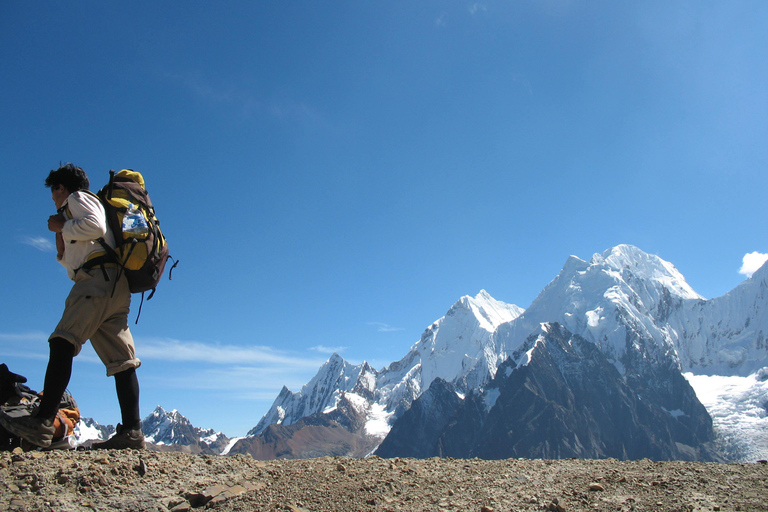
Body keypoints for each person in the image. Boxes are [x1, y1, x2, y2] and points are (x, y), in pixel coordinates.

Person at [0, 164, 145, 449]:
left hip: (96, 281)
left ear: (61, 188)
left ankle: (41, 421)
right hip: (116, 286)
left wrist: (62, 226)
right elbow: (82, 248)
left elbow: (96, 227)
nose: (53, 197)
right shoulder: (83, 205)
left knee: (63, 341)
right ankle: (132, 431)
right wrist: (62, 240)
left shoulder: (78, 199)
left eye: (54, 190)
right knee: (122, 361)